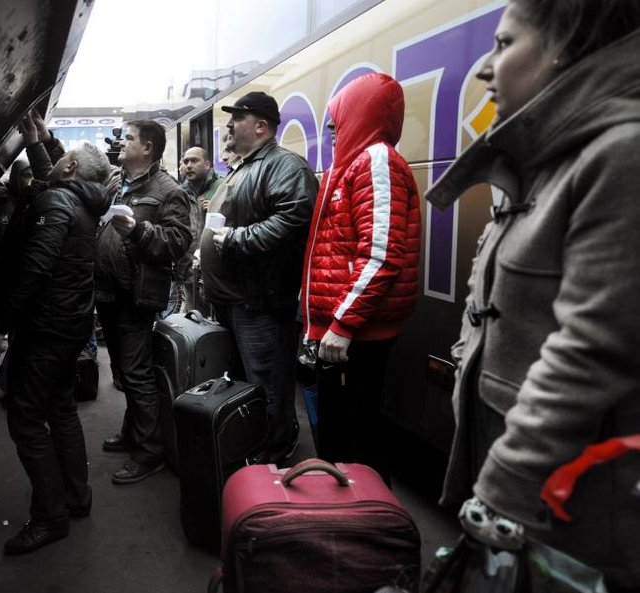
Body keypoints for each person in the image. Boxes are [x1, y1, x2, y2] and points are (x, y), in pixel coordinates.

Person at [423, 2, 640, 590]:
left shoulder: (619, 153)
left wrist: (504, 488)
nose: (487, 68)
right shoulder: (536, 161)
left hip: (568, 498)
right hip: (518, 471)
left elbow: (593, 349)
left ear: (563, 46)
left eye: (503, 44)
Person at [0, 111, 112, 555]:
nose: (56, 161)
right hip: (70, 326)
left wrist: (0, 324)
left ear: (71, 167)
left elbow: (35, 268)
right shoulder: (79, 199)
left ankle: (50, 518)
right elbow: (53, 178)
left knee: (26, 418)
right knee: (60, 411)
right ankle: (76, 498)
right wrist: (39, 142)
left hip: (46, 329)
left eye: (63, 157)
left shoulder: (57, 205)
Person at [299, 72, 422, 485]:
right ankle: (344, 522)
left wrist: (343, 325)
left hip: (356, 333)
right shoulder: (350, 165)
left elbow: (382, 253)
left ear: (362, 115)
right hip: (343, 329)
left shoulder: (377, 160)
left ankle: (362, 530)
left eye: (339, 117)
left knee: (357, 443)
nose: (331, 128)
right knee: (340, 439)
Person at [200, 91, 318, 464]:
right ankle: (254, 447)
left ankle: (275, 454)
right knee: (246, 383)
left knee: (267, 385)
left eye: (237, 118)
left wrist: (237, 240)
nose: (229, 125)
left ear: (262, 126)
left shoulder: (286, 166)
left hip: (261, 304)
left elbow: (291, 219)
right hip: (236, 301)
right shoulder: (245, 166)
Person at [95, 119, 191, 484]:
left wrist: (138, 230)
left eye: (130, 138)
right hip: (110, 292)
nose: (122, 143)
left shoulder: (168, 190)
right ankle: (134, 430)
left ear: (148, 148)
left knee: (136, 373)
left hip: (135, 296)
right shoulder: (119, 183)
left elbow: (179, 241)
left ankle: (150, 452)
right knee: (123, 370)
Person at [177, 146, 222, 312]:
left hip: (216, 273)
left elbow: (235, 224)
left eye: (194, 160)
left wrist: (216, 209)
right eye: (186, 161)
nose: (189, 165)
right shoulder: (179, 193)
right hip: (188, 272)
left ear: (208, 164)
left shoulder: (222, 188)